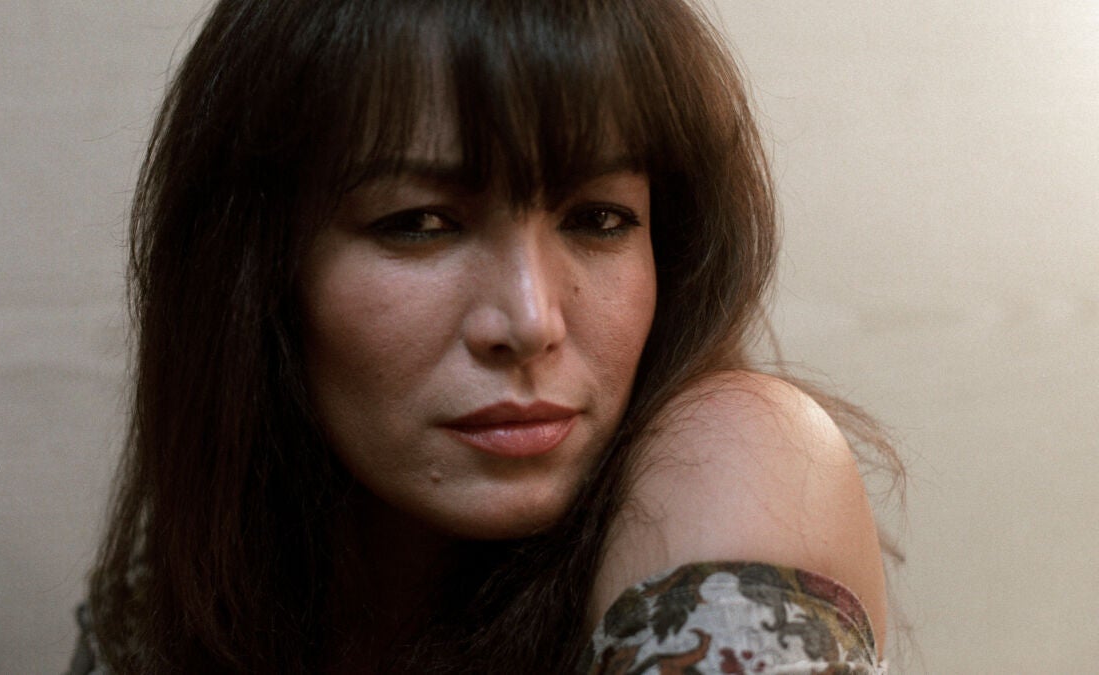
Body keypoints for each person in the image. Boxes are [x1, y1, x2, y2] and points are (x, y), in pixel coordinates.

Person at [71, 0, 901, 672]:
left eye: (599, 218)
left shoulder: (736, 453)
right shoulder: (184, 589)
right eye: (421, 223)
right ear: (257, 275)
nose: (532, 321)